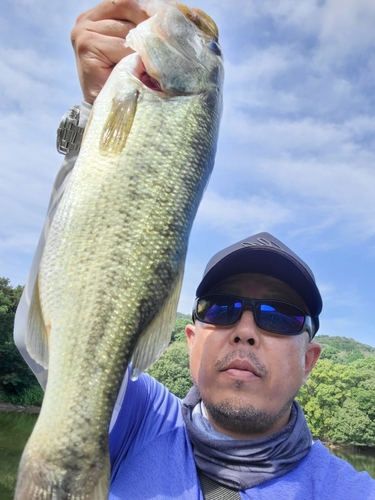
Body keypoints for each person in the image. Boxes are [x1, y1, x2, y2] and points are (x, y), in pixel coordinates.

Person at [13, 1, 375, 498]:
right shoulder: (134, 420)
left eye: (279, 317)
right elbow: (59, 351)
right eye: (222, 310)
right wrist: (93, 117)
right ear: (188, 338)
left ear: (310, 359)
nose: (245, 330)